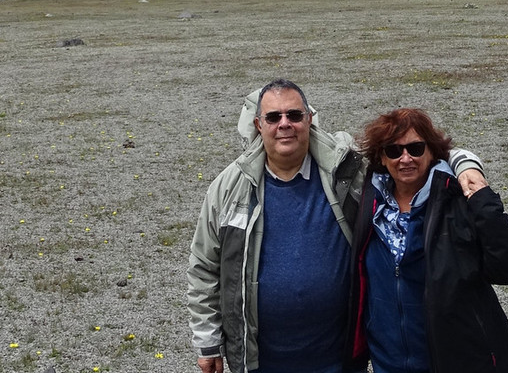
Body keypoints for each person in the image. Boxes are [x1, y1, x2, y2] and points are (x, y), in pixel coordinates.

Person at [186, 80, 488, 373]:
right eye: (273, 117)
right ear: (258, 125)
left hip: (337, 359)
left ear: (310, 119)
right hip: (261, 363)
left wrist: (465, 162)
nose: (285, 124)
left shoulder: (344, 168)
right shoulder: (228, 188)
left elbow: (414, 153)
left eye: (294, 115)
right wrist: (207, 342)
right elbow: (204, 267)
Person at [347, 108, 508, 373]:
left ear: (431, 152)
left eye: (416, 148)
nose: (405, 158)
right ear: (381, 158)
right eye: (394, 151)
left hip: (453, 361)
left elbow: (506, 268)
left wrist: (483, 200)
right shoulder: (366, 202)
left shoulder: (455, 198)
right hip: (389, 362)